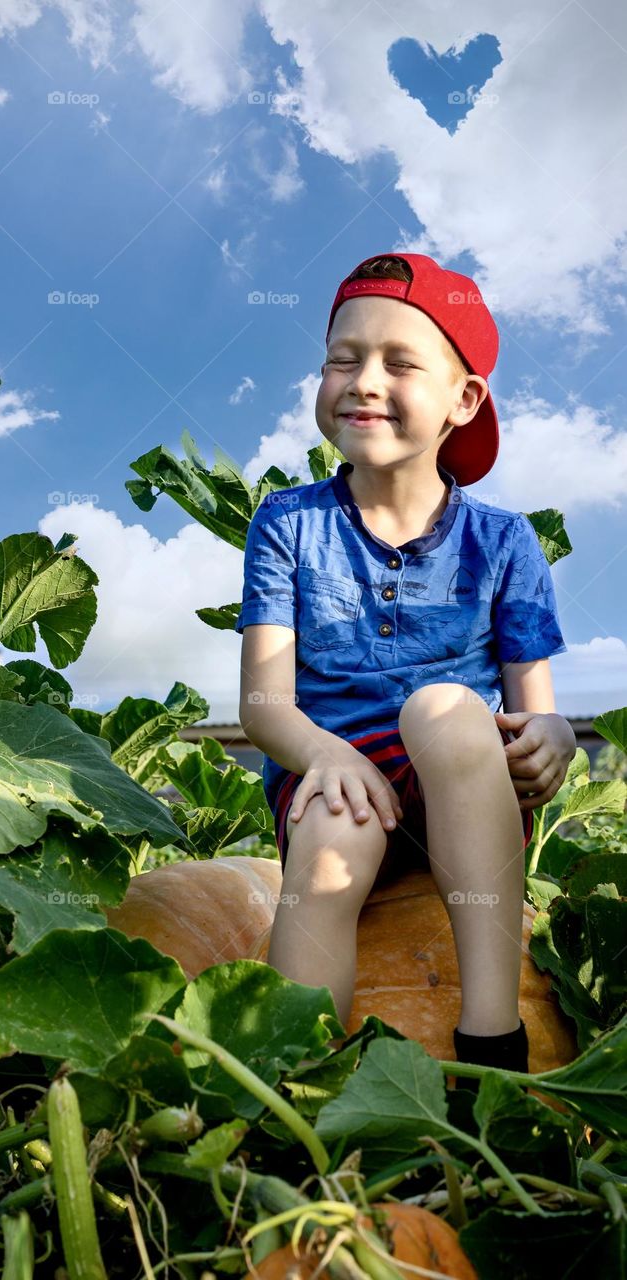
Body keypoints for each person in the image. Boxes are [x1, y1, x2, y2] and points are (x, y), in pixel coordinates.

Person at [235, 252, 576, 1086]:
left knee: (444, 708)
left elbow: (536, 710)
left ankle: (494, 1043)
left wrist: (552, 738)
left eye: (398, 362)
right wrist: (323, 754)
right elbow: (262, 704)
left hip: (464, 786)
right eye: (341, 359)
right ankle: (292, 1083)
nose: (361, 381)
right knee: (325, 842)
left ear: (463, 400)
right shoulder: (287, 523)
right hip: (338, 771)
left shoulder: (503, 541)